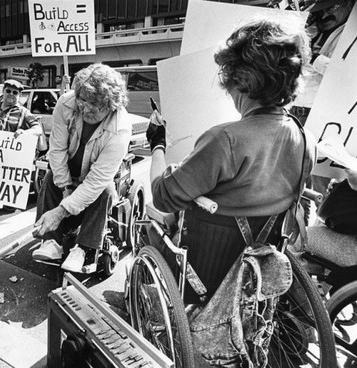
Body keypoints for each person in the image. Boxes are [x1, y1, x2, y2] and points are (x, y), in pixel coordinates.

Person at [146, 18, 316, 303]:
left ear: (240, 79)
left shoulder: (225, 139)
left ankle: (140, 303)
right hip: (259, 273)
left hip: (203, 275)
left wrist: (158, 145)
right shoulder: (304, 137)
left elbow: (163, 196)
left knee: (153, 225)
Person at [32, 63, 131, 273]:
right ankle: (51, 242)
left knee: (104, 191)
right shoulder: (66, 104)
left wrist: (61, 211)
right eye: (81, 100)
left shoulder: (120, 129)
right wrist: (66, 187)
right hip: (69, 169)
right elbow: (57, 150)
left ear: (109, 105)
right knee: (51, 178)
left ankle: (84, 248)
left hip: (95, 180)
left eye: (92, 105)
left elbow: (96, 181)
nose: (84, 108)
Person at [291, 0, 355, 126]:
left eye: (332, 8)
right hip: (292, 109)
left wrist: (314, 58)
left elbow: (347, 74)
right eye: (322, 9)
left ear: (349, 4)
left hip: (319, 117)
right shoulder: (314, 27)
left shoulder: (352, 35)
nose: (325, 14)